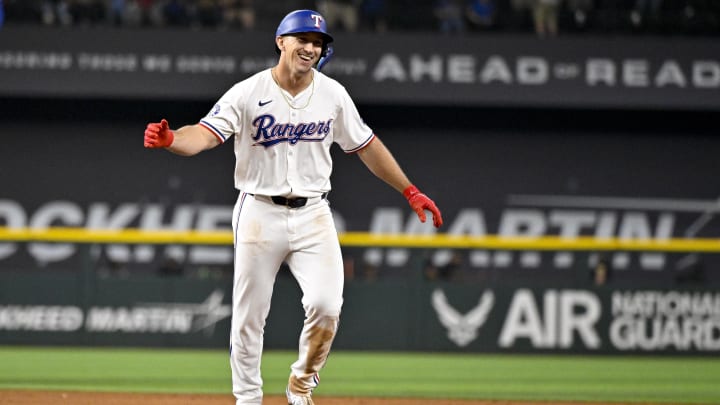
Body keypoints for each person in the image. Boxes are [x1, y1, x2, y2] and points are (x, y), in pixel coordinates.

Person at [143, 9, 443, 405]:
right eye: (302, 39)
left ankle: (301, 383)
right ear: (281, 41)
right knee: (250, 316)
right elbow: (203, 134)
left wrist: (409, 190)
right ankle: (248, 399)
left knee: (326, 305)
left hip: (314, 212)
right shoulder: (248, 92)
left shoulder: (333, 95)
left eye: (318, 43)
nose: (311, 47)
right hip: (259, 211)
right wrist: (172, 140)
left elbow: (366, 146)